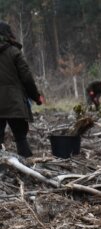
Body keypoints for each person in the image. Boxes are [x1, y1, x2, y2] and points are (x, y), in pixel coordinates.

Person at [0, 21, 43, 158]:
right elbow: (27, 78)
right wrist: (36, 97)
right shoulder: (14, 52)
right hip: (14, 102)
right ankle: (28, 169)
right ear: (8, 34)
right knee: (20, 137)